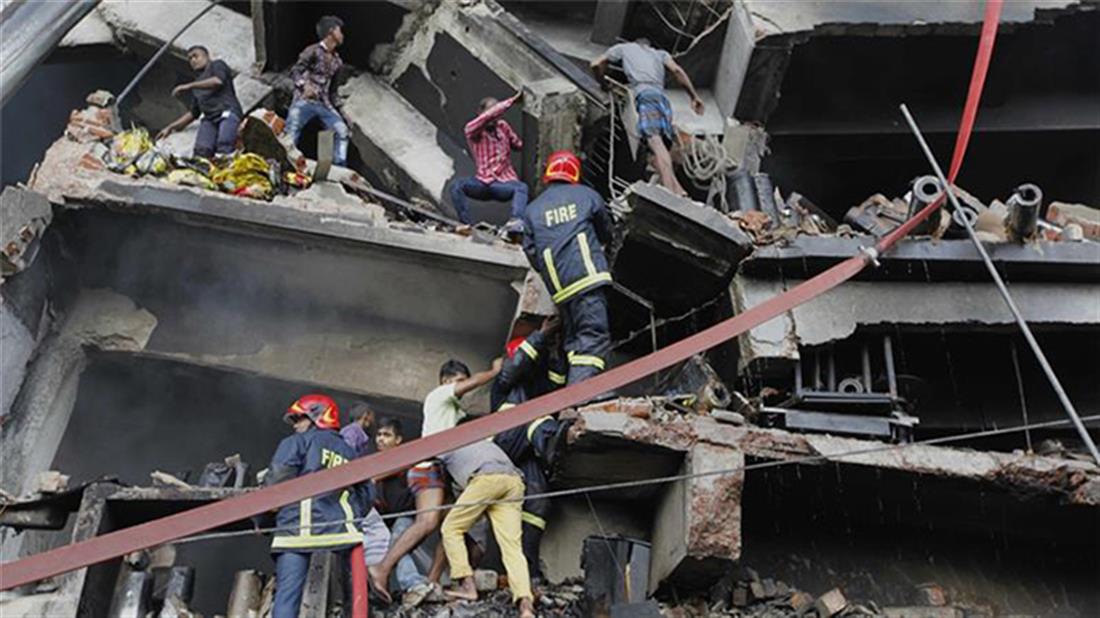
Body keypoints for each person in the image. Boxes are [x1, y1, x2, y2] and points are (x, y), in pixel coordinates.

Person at [368, 359, 499, 601]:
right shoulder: (438, 397)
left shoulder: (455, 412)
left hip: (442, 473)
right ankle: (382, 569)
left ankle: (432, 581)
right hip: (427, 467)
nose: (463, 387)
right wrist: (495, 371)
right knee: (427, 522)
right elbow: (472, 383)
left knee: (453, 526)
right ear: (445, 382)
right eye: (459, 381)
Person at [266, 394, 374, 618]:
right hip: (343, 536)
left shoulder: (296, 443)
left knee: (287, 598)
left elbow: (276, 484)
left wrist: (262, 519)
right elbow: (367, 494)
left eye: (299, 419)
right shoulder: (350, 452)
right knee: (350, 600)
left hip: (298, 532)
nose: (296, 426)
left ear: (318, 417)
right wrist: (351, 518)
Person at [490, 318, 573, 583]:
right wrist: (541, 334)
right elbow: (514, 368)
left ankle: (529, 572)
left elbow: (557, 385)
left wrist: (555, 353)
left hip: (528, 450)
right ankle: (551, 447)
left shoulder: (536, 389)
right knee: (536, 419)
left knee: (538, 502)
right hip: (505, 445)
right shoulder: (504, 384)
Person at [521, 151, 614, 385]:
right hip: (587, 280)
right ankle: (579, 400)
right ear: (574, 174)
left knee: (575, 344)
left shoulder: (532, 210)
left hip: (562, 292)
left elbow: (532, 252)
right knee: (592, 339)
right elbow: (607, 232)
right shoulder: (587, 196)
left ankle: (569, 398)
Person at [590, 38, 705, 196]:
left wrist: (603, 83)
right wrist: (694, 97)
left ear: (636, 43)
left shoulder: (624, 48)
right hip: (663, 101)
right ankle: (678, 188)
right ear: (648, 46)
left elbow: (595, 64)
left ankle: (670, 191)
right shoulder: (660, 54)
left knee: (656, 143)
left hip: (646, 96)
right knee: (656, 151)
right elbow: (677, 71)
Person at [438, 439, 535, 618]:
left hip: (487, 478)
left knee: (451, 528)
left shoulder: (446, 445)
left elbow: (426, 466)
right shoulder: (482, 443)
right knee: (512, 548)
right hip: (514, 481)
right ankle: (526, 606)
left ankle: (467, 587)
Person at [371, 417, 438, 606]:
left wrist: (370, 477)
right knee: (397, 548)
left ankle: (414, 584)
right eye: (378, 435)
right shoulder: (377, 462)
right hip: (390, 521)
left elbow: (396, 467)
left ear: (398, 440)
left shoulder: (405, 456)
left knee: (398, 541)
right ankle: (411, 586)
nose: (381, 439)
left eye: (387, 435)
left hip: (409, 516)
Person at [450, 93, 528, 234]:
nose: (494, 116)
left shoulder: (503, 127)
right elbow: (487, 117)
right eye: (491, 110)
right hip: (483, 182)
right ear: (480, 113)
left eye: (496, 111)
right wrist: (511, 101)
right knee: (456, 186)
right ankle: (466, 224)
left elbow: (519, 145)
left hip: (503, 184)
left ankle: (516, 223)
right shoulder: (472, 130)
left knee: (521, 188)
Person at [157, 46, 244, 157]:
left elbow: (218, 81)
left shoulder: (217, 65)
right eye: (190, 59)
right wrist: (170, 127)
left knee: (224, 144)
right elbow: (193, 113)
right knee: (201, 151)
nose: (193, 60)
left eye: (195, 56)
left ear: (206, 56)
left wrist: (188, 86)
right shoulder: (197, 84)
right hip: (210, 118)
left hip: (227, 112)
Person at [285, 15, 349, 166]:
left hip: (325, 105)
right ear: (331, 31)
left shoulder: (337, 62)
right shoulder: (313, 51)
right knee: (291, 131)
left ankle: (339, 170)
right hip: (304, 101)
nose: (342, 35)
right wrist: (304, 86)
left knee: (342, 130)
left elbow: (333, 92)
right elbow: (295, 71)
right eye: (340, 31)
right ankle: (286, 165)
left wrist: (342, 112)